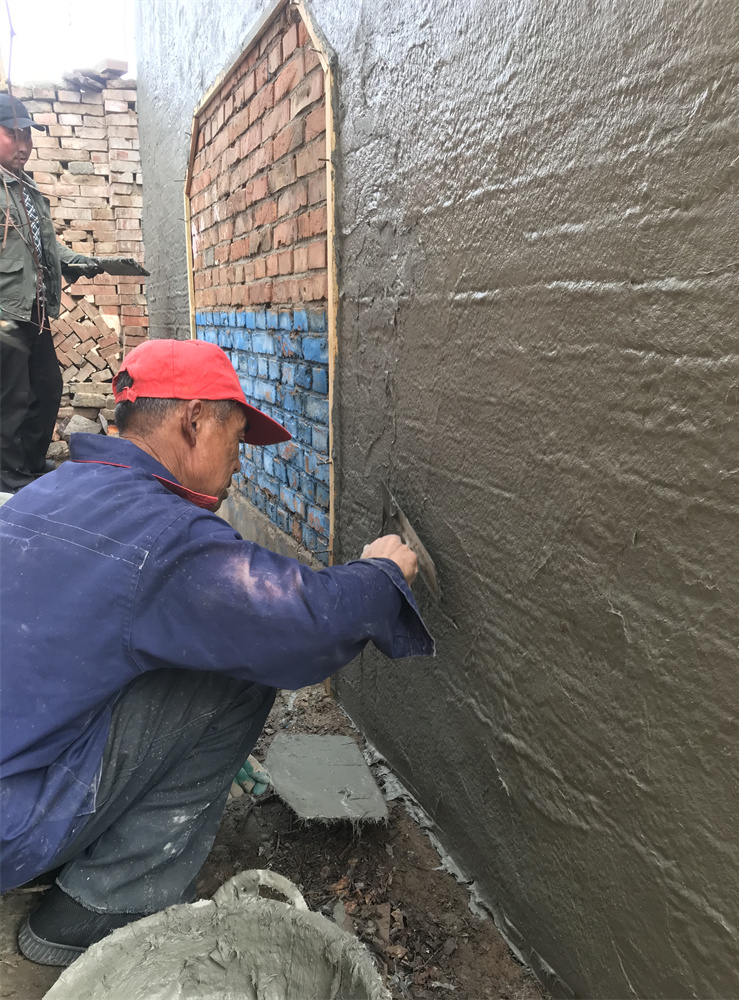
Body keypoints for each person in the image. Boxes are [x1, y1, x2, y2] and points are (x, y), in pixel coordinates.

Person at [0, 337, 433, 966]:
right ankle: (101, 906)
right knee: (237, 671)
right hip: (12, 822)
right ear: (194, 420)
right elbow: (294, 624)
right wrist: (379, 576)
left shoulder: (51, 490)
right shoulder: (164, 535)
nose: (237, 466)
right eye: (235, 441)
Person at [0, 92, 103, 493]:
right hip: (5, 311)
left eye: (28, 135)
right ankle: (7, 470)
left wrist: (78, 260)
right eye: (12, 134)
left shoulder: (26, 187)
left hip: (34, 307)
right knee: (11, 395)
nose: (24, 145)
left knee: (47, 387)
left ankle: (25, 462)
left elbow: (46, 245)